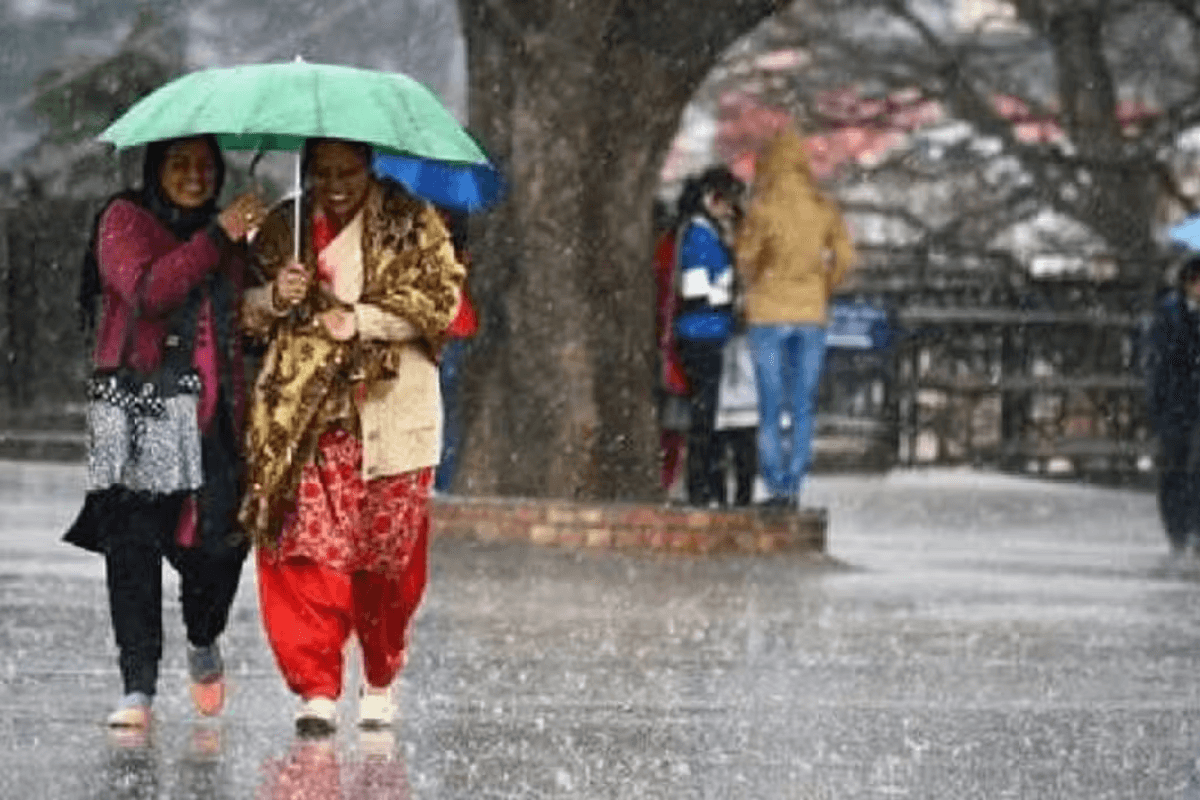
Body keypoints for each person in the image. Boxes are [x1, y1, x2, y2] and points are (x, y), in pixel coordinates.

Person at [240, 138, 465, 735]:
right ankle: (315, 686)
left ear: (371, 166)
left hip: (393, 412)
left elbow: (440, 301)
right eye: (323, 173)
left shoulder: (412, 223)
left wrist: (361, 319)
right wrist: (273, 296)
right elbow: (243, 312)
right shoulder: (284, 228)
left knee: (385, 560)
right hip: (305, 415)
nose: (336, 185)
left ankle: (380, 673)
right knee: (304, 547)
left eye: (348, 172)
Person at [70, 135, 266, 729]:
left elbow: (245, 323)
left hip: (215, 414)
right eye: (180, 163)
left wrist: (269, 293)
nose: (195, 176)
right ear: (156, 167)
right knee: (133, 549)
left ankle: (204, 637)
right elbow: (150, 291)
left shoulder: (230, 239)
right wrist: (216, 238)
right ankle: (139, 687)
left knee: (218, 548)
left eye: (206, 165)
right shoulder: (124, 218)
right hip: (136, 400)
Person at [736, 125, 855, 508]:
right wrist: (822, 286)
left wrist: (760, 279)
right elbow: (847, 258)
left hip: (768, 312)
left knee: (771, 405)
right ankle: (794, 480)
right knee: (802, 404)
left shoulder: (764, 207)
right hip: (810, 313)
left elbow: (746, 258)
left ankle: (774, 483)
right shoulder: (823, 208)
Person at [673, 166, 744, 507]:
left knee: (707, 415)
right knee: (705, 416)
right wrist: (726, 296)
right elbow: (696, 291)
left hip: (707, 332)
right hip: (702, 332)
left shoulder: (705, 234)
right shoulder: (700, 237)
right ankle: (700, 485)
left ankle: (705, 484)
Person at [1145, 255, 1200, 556]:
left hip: (1191, 400)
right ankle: (1178, 531)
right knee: (1175, 466)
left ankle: (1193, 529)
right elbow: (1160, 364)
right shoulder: (1170, 315)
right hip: (1177, 402)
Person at [434, 208, 477, 494]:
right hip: (450, 326)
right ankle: (439, 481)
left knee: (443, 407)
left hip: (447, 327)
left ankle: (438, 481)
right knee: (444, 409)